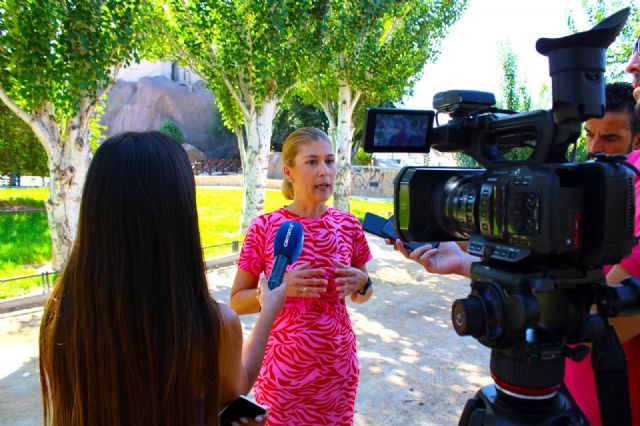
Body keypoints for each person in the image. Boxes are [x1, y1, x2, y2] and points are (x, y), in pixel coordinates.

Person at [392, 81, 640, 425]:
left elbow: (612, 323)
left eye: (610, 139)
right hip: (562, 391)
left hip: (604, 405)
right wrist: (466, 262)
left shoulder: (631, 193)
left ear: (637, 140)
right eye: (589, 135)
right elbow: (538, 258)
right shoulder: (576, 183)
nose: (596, 149)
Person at [39, 131, 287, 426]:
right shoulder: (210, 325)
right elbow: (236, 386)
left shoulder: (61, 316)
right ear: (180, 214)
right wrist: (269, 307)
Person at [230, 127, 373, 425]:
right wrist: (278, 289)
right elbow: (236, 303)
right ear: (289, 172)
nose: (324, 171)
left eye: (330, 161)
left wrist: (363, 283)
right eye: (312, 162)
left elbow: (363, 293)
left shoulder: (348, 225)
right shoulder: (265, 227)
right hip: (284, 375)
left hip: (339, 371)